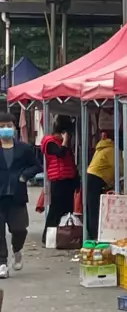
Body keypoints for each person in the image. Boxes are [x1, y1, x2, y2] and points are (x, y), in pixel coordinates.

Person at [0, 110, 41, 278]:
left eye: (8, 126)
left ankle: (17, 250)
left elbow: (37, 166)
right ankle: (2, 263)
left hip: (17, 195)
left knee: (19, 229)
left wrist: (24, 176)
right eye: (1, 127)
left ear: (15, 128)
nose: (5, 129)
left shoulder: (24, 148)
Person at [41, 115, 79, 233]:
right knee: (56, 208)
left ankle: (64, 234)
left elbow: (71, 161)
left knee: (68, 209)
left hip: (68, 179)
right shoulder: (49, 142)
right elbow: (60, 154)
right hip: (58, 180)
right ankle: (48, 235)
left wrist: (76, 179)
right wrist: (65, 141)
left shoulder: (63, 142)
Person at [84, 127, 115, 241]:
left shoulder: (102, 147)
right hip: (96, 178)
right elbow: (119, 167)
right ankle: (94, 235)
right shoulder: (111, 150)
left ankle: (91, 232)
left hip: (91, 176)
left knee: (91, 206)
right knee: (94, 207)